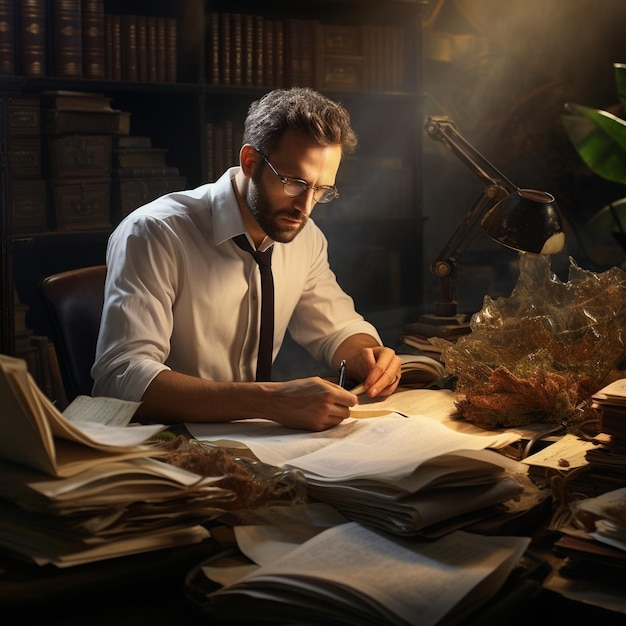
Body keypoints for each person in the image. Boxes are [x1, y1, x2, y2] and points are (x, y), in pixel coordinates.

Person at [92, 87, 401, 431]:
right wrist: (270, 401)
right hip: (167, 443)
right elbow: (121, 377)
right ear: (250, 162)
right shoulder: (156, 233)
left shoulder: (305, 236)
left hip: (258, 443)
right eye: (295, 183)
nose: (306, 206)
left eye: (321, 190)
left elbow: (337, 328)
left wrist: (366, 354)